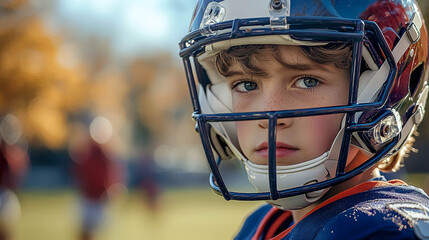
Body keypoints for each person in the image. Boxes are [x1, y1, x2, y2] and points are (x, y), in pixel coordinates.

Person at [179, 0, 429, 239]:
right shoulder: (262, 224)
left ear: (380, 93)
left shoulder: (381, 230)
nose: (269, 115)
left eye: (307, 81)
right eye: (245, 85)